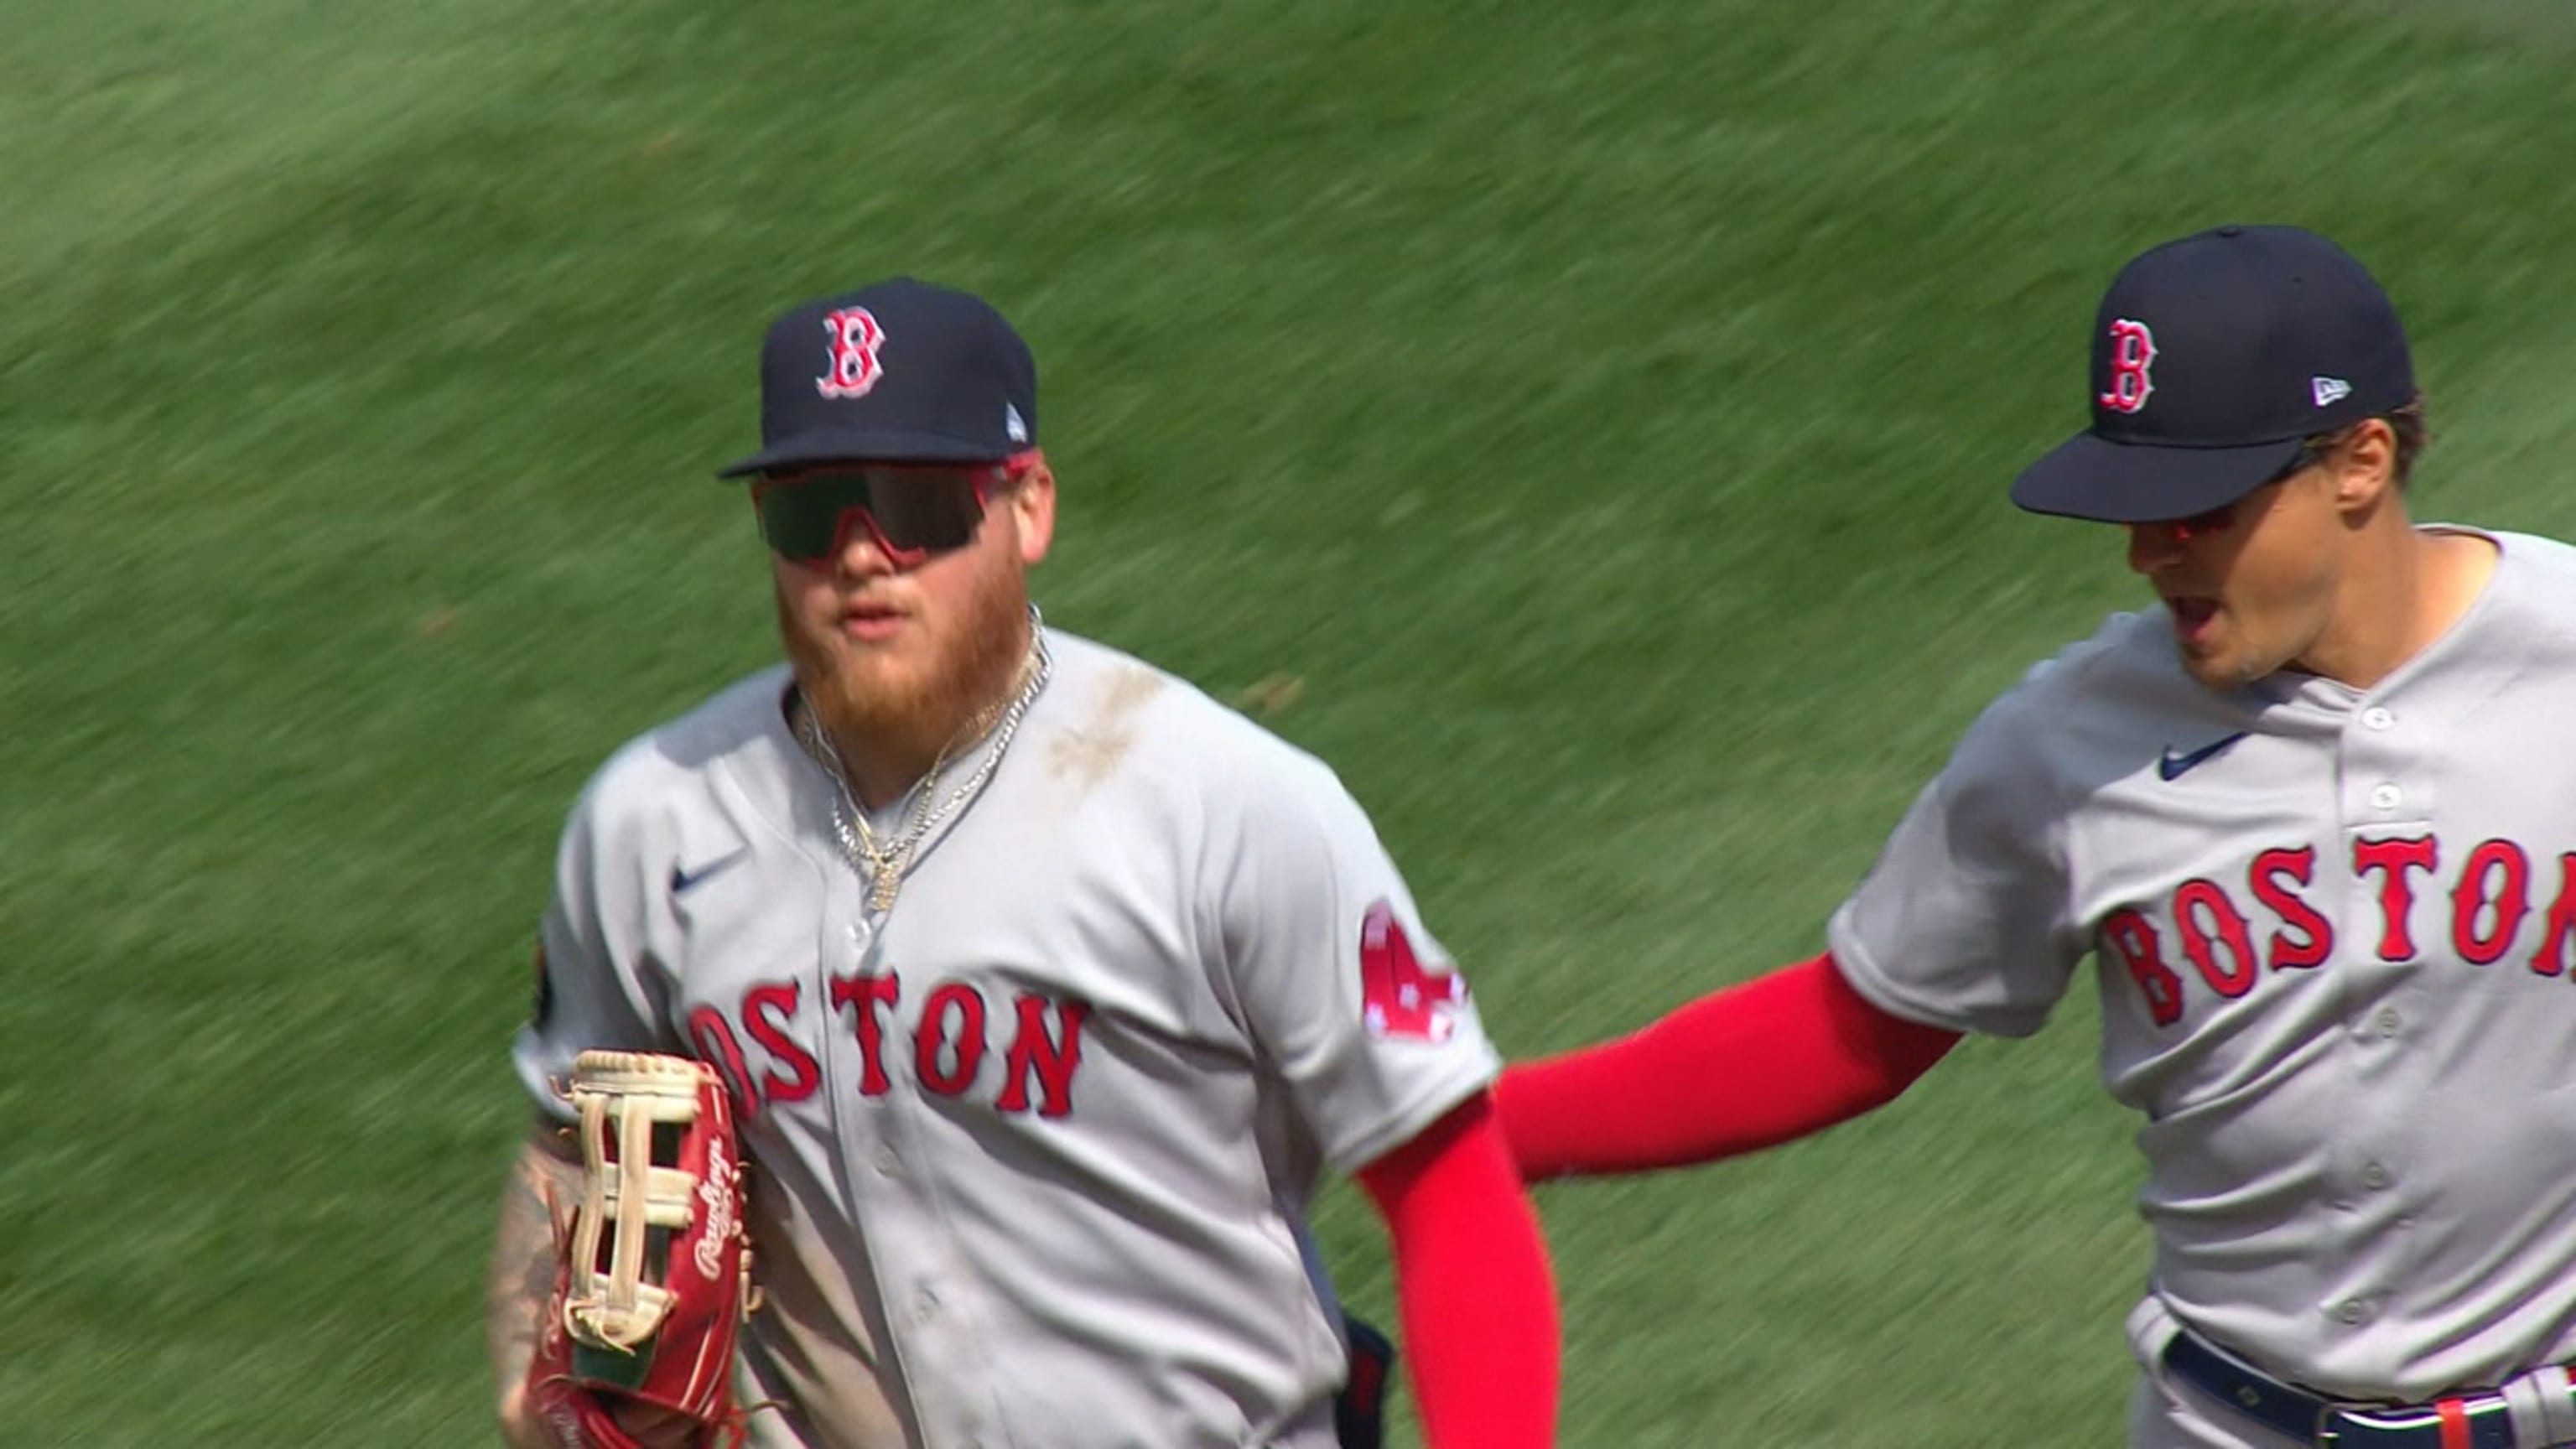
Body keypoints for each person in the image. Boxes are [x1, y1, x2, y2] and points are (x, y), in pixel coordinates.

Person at [1495, 225, 2576, 1449]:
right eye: (2135, 508)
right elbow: (1856, 1027)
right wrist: (1481, 1128)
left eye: (2196, 510)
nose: (2147, 550)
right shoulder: (2070, 739)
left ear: (2359, 463)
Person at [487, 277, 1559, 1448]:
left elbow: (1451, 1192)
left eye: (918, 505)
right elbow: (571, 1159)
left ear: (1029, 505)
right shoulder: (653, 824)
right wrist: (546, 1400)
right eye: (812, 510)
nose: (863, 554)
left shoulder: (1224, 807)